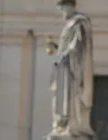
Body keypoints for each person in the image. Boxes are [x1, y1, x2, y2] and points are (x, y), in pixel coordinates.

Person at [44, 0, 94, 140]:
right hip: (65, 66)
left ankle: (72, 125)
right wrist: (58, 48)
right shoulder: (69, 24)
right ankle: (62, 125)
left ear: (70, 6)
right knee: (61, 96)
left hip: (73, 68)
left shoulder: (79, 22)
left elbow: (78, 44)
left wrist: (65, 53)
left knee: (71, 96)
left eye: (63, 9)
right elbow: (67, 46)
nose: (63, 13)